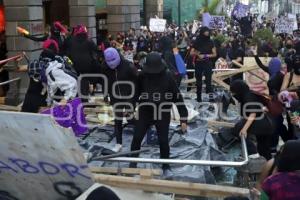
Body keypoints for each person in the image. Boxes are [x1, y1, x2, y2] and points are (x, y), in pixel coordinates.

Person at [130, 52, 188, 170]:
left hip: (162, 111)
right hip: (145, 110)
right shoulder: (142, 75)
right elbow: (135, 93)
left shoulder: (168, 76)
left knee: (163, 140)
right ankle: (132, 163)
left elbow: (177, 97)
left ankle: (165, 166)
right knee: (137, 137)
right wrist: (130, 107)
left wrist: (183, 118)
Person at [103, 47, 138, 153]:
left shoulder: (128, 66)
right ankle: (118, 143)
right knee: (117, 119)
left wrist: (132, 101)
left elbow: (137, 83)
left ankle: (140, 130)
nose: (111, 64)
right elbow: (105, 81)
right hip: (115, 96)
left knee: (129, 118)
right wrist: (106, 94)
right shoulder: (105, 67)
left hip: (129, 96)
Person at [230, 80, 274, 160]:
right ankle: (269, 165)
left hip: (261, 124)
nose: (233, 95)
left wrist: (244, 129)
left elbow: (253, 113)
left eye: (234, 92)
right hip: (264, 124)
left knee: (238, 129)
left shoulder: (248, 96)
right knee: (264, 149)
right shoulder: (248, 94)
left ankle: (252, 152)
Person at [63, 25, 100, 102]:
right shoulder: (89, 41)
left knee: (75, 88)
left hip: (74, 69)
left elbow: (66, 53)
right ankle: (84, 102)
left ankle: (75, 102)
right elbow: (96, 53)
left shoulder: (71, 41)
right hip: (87, 69)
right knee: (84, 87)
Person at [191, 27, 217, 102]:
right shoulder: (197, 41)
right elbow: (191, 53)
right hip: (198, 63)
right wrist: (197, 54)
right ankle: (199, 97)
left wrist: (205, 55)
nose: (207, 33)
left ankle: (211, 98)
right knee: (198, 82)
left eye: (208, 31)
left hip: (207, 63)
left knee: (208, 81)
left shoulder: (211, 41)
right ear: (202, 32)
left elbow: (215, 54)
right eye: (206, 31)